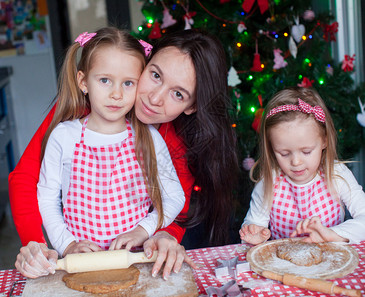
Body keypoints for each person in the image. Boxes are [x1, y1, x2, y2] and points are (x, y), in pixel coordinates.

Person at [10, 29, 238, 279]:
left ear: (191, 106)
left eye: (178, 94)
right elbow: (26, 179)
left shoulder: (170, 141)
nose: (154, 98)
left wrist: (163, 234)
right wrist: (38, 246)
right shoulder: (79, 110)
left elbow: (176, 201)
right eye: (155, 75)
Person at [33, 27, 185, 261]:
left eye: (128, 83)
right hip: (83, 263)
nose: (116, 94)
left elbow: (175, 197)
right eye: (105, 80)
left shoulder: (148, 138)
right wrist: (67, 245)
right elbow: (46, 197)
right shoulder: (64, 137)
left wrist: (142, 230)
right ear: (83, 82)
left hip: (134, 261)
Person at [240, 87, 365, 245]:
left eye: (306, 151)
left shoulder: (336, 173)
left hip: (332, 264)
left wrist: (332, 234)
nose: (296, 162)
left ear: (324, 140)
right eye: (284, 153)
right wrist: (254, 236)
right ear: (271, 148)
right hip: (284, 267)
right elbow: (254, 225)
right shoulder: (269, 182)